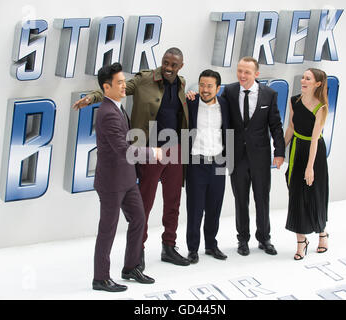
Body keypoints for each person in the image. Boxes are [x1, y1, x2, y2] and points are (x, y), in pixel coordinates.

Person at [72, 48, 190, 269]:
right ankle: (139, 251)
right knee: (143, 204)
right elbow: (114, 89)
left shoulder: (182, 83)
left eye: (173, 65)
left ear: (180, 67)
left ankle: (169, 246)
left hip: (175, 150)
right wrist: (91, 98)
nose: (168, 67)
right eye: (165, 62)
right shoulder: (144, 79)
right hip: (149, 149)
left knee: (173, 202)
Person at [92, 63, 160, 292]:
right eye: (119, 83)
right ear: (106, 87)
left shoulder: (118, 107)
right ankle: (100, 278)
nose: (124, 86)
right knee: (108, 229)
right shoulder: (107, 113)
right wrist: (152, 152)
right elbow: (123, 150)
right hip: (111, 182)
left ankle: (130, 267)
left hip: (127, 179)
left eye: (124, 81)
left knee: (139, 219)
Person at [221, 56, 285, 256]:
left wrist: (280, 151)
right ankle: (243, 240)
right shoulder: (229, 91)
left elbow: (275, 125)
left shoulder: (269, 94)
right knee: (241, 200)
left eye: (247, 72)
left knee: (262, 199)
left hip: (260, 156)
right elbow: (221, 118)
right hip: (236, 156)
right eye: (239, 71)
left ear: (256, 74)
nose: (242, 75)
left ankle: (264, 239)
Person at [284, 68, 329, 260]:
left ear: (317, 84)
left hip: (314, 153)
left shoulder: (321, 107)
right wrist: (278, 152)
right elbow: (292, 127)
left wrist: (310, 167)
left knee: (316, 194)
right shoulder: (294, 100)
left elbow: (314, 140)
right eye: (303, 77)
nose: (303, 80)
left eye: (308, 78)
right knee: (296, 194)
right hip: (297, 149)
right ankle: (301, 241)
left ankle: (322, 233)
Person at [185, 69, 230, 264]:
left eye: (210, 86)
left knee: (215, 207)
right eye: (202, 85)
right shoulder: (191, 103)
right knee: (195, 208)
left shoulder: (226, 105)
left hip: (219, 161)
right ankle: (192, 249)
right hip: (197, 161)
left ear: (218, 88)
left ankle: (211, 245)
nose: (205, 89)